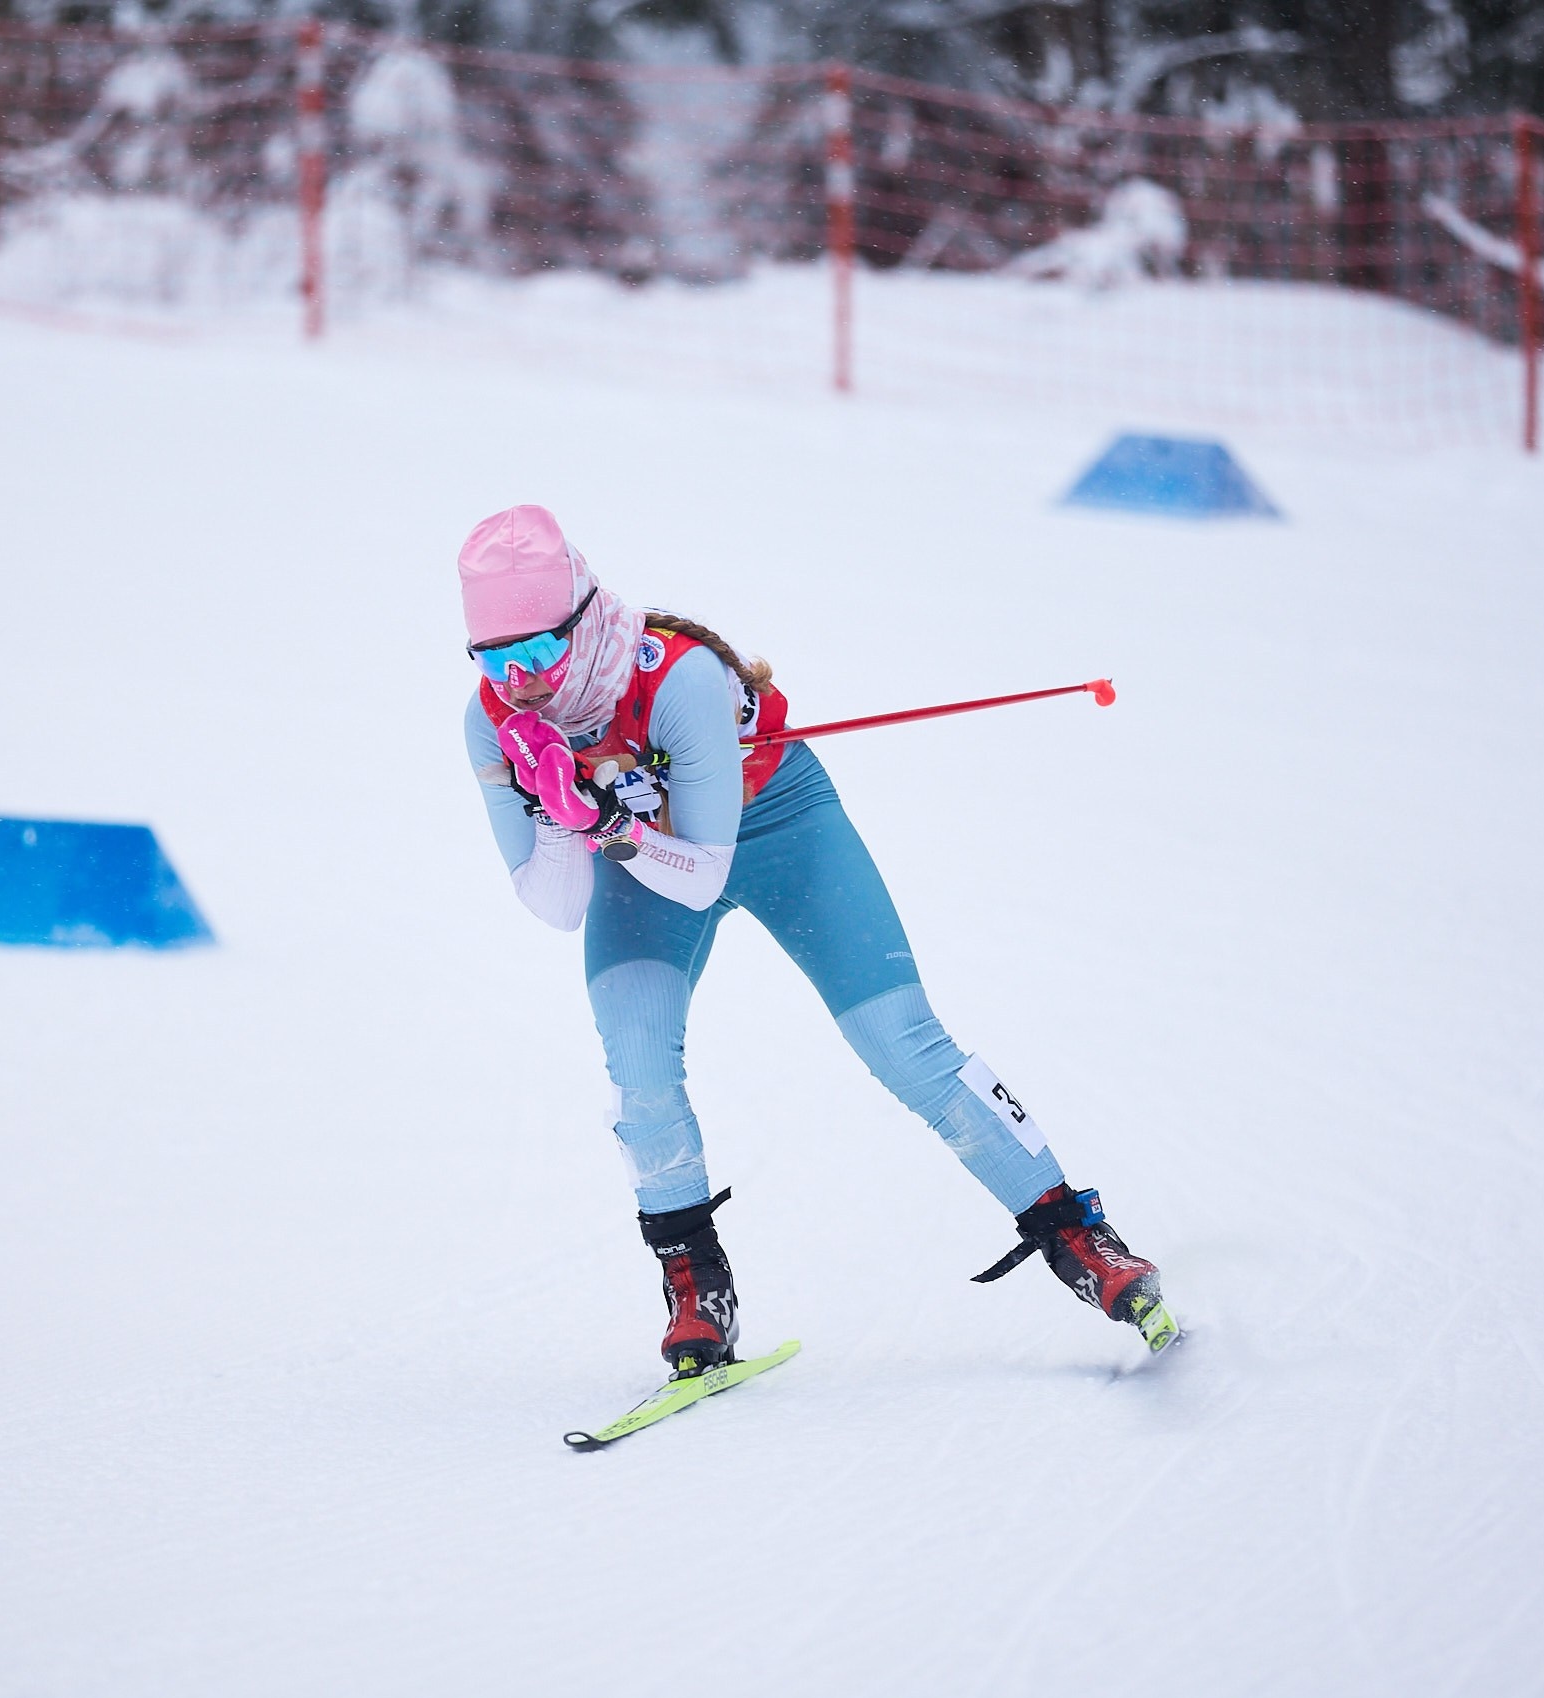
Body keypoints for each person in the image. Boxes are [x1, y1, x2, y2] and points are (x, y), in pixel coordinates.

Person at [458, 504, 1178, 1374]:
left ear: (583, 616)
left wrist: (607, 822)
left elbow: (704, 872)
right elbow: (558, 905)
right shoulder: (492, 721)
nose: (522, 680)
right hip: (644, 866)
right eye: (495, 657)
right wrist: (554, 814)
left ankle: (1080, 1236)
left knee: (901, 1041)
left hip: (776, 828)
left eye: (541, 649)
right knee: (637, 1065)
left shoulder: (677, 678)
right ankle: (696, 1287)